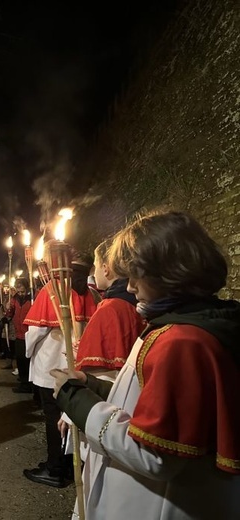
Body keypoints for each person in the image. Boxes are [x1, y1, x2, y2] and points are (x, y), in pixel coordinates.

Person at [52, 211, 240, 519]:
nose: (129, 287)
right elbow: (150, 399)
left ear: (167, 273)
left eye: (136, 275)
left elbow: (154, 452)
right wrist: (93, 386)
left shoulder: (183, 342)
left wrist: (77, 402)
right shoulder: (183, 326)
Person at [22, 249, 98, 488]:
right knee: (71, 417)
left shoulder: (53, 291)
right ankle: (68, 465)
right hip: (77, 366)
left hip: (51, 366)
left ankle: (54, 469)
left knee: (53, 417)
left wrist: (27, 353)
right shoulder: (93, 294)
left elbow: (36, 332)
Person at [75, 239, 145, 375]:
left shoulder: (110, 308)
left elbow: (98, 370)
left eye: (96, 267)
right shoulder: (139, 301)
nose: (94, 274)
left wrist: (79, 357)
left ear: (106, 269)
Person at [4, 278, 32, 383]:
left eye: (22, 291)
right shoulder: (15, 299)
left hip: (29, 333)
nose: (20, 294)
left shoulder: (32, 298)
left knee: (27, 359)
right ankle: (22, 379)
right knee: (20, 358)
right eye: (18, 291)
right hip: (18, 333)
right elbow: (10, 315)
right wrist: (8, 309)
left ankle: (29, 382)